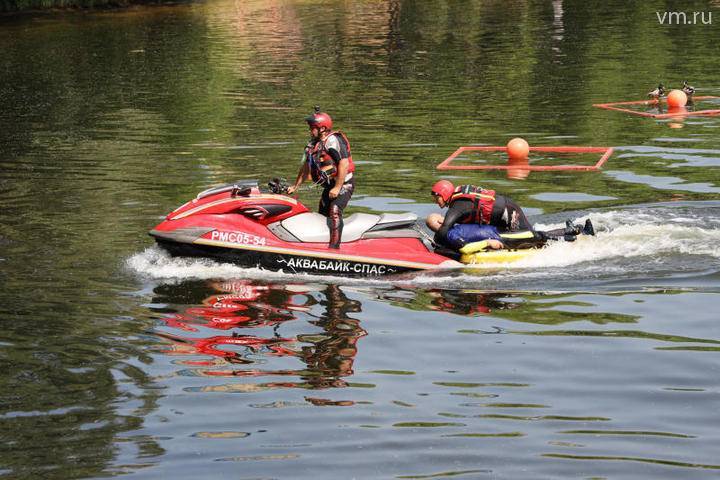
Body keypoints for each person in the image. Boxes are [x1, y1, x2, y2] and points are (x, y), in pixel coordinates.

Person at [287, 107, 355, 249]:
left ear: (322, 128)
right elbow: (306, 167)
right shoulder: (313, 144)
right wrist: (296, 186)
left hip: (344, 184)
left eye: (312, 127)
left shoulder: (333, 141)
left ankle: (334, 248)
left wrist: (337, 187)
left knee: (335, 210)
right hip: (330, 187)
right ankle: (320, 245)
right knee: (322, 215)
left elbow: (343, 163)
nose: (310, 130)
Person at [430, 180, 534, 249]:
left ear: (444, 194)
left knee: (528, 236)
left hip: (508, 210)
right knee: (511, 236)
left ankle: (547, 240)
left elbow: (445, 228)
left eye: (436, 198)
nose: (435, 201)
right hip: (500, 214)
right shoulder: (457, 202)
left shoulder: (458, 206)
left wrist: (435, 242)